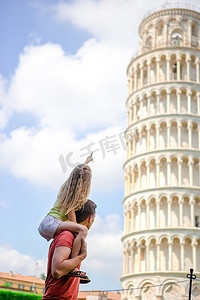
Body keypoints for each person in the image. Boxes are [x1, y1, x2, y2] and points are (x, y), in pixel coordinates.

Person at [38, 153, 93, 279]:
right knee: (82, 230)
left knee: (78, 231)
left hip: (47, 223)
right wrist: (78, 232)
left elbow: (78, 172)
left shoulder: (66, 188)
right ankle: (72, 266)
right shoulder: (73, 199)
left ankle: (70, 263)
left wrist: (87, 161)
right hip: (52, 222)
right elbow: (73, 219)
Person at [42, 199, 97, 300]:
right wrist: (82, 256)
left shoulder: (74, 237)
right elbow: (58, 270)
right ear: (90, 218)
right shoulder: (67, 235)